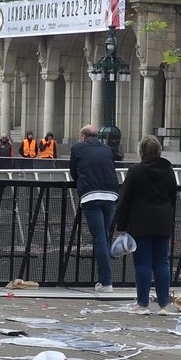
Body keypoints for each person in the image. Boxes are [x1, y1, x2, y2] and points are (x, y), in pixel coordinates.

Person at [114, 135, 178, 313]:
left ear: (141, 151)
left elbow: (124, 200)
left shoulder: (136, 171)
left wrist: (121, 226)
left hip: (140, 222)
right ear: (159, 151)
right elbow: (173, 195)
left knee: (143, 264)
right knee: (162, 263)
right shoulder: (168, 170)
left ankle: (142, 303)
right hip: (163, 220)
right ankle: (164, 304)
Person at [70, 124, 120, 293]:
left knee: (99, 237)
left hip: (91, 195)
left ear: (83, 136)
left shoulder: (77, 148)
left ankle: (106, 282)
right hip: (110, 195)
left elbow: (73, 172)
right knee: (104, 237)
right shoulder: (106, 149)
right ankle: (106, 280)